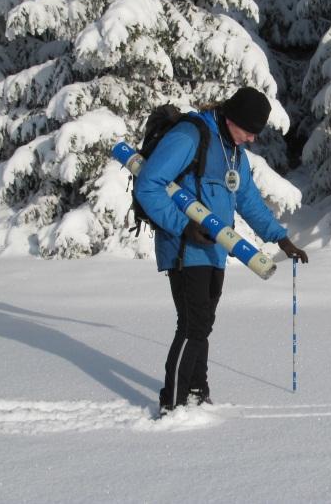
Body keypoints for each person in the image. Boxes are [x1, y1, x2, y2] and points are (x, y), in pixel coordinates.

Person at [134, 87, 308, 415]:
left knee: (202, 323)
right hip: (184, 246)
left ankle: (197, 392)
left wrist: (281, 239)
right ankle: (172, 401)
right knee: (193, 322)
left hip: (216, 250)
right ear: (231, 118)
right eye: (249, 131)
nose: (252, 139)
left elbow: (248, 199)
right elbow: (148, 185)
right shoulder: (189, 137)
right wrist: (182, 225)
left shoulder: (233, 151)